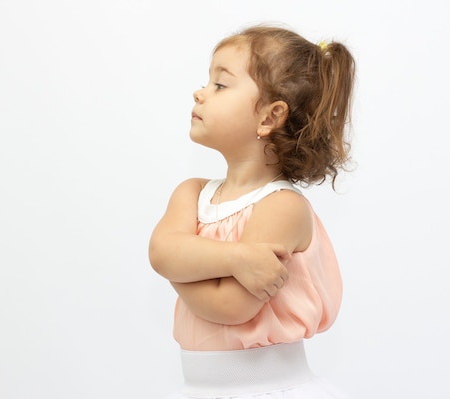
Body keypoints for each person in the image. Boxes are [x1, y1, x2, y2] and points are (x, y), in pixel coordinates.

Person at [148, 24, 355, 399]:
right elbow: (160, 253)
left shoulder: (283, 207)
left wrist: (178, 261)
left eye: (220, 85)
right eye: (207, 82)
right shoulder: (191, 193)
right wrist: (237, 257)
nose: (199, 92)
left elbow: (230, 306)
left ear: (268, 118)